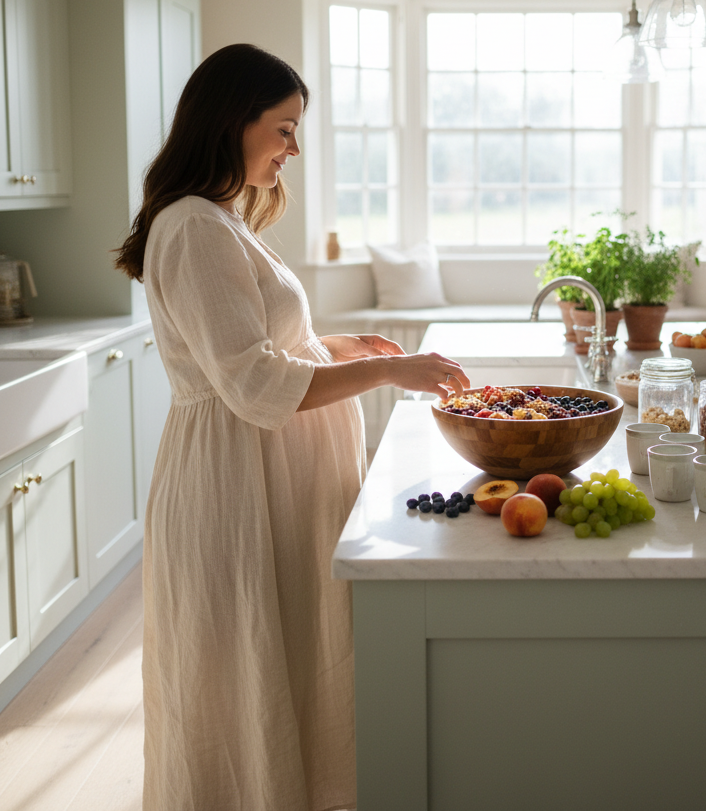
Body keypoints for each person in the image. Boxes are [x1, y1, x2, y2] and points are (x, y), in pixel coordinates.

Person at [114, 43, 469, 811]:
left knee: (289, 663)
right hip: (239, 483)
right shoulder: (195, 228)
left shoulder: (220, 221)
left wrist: (339, 347)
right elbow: (251, 383)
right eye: (284, 128)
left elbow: (254, 349)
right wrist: (386, 373)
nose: (294, 149)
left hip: (269, 477)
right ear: (232, 121)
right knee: (245, 675)